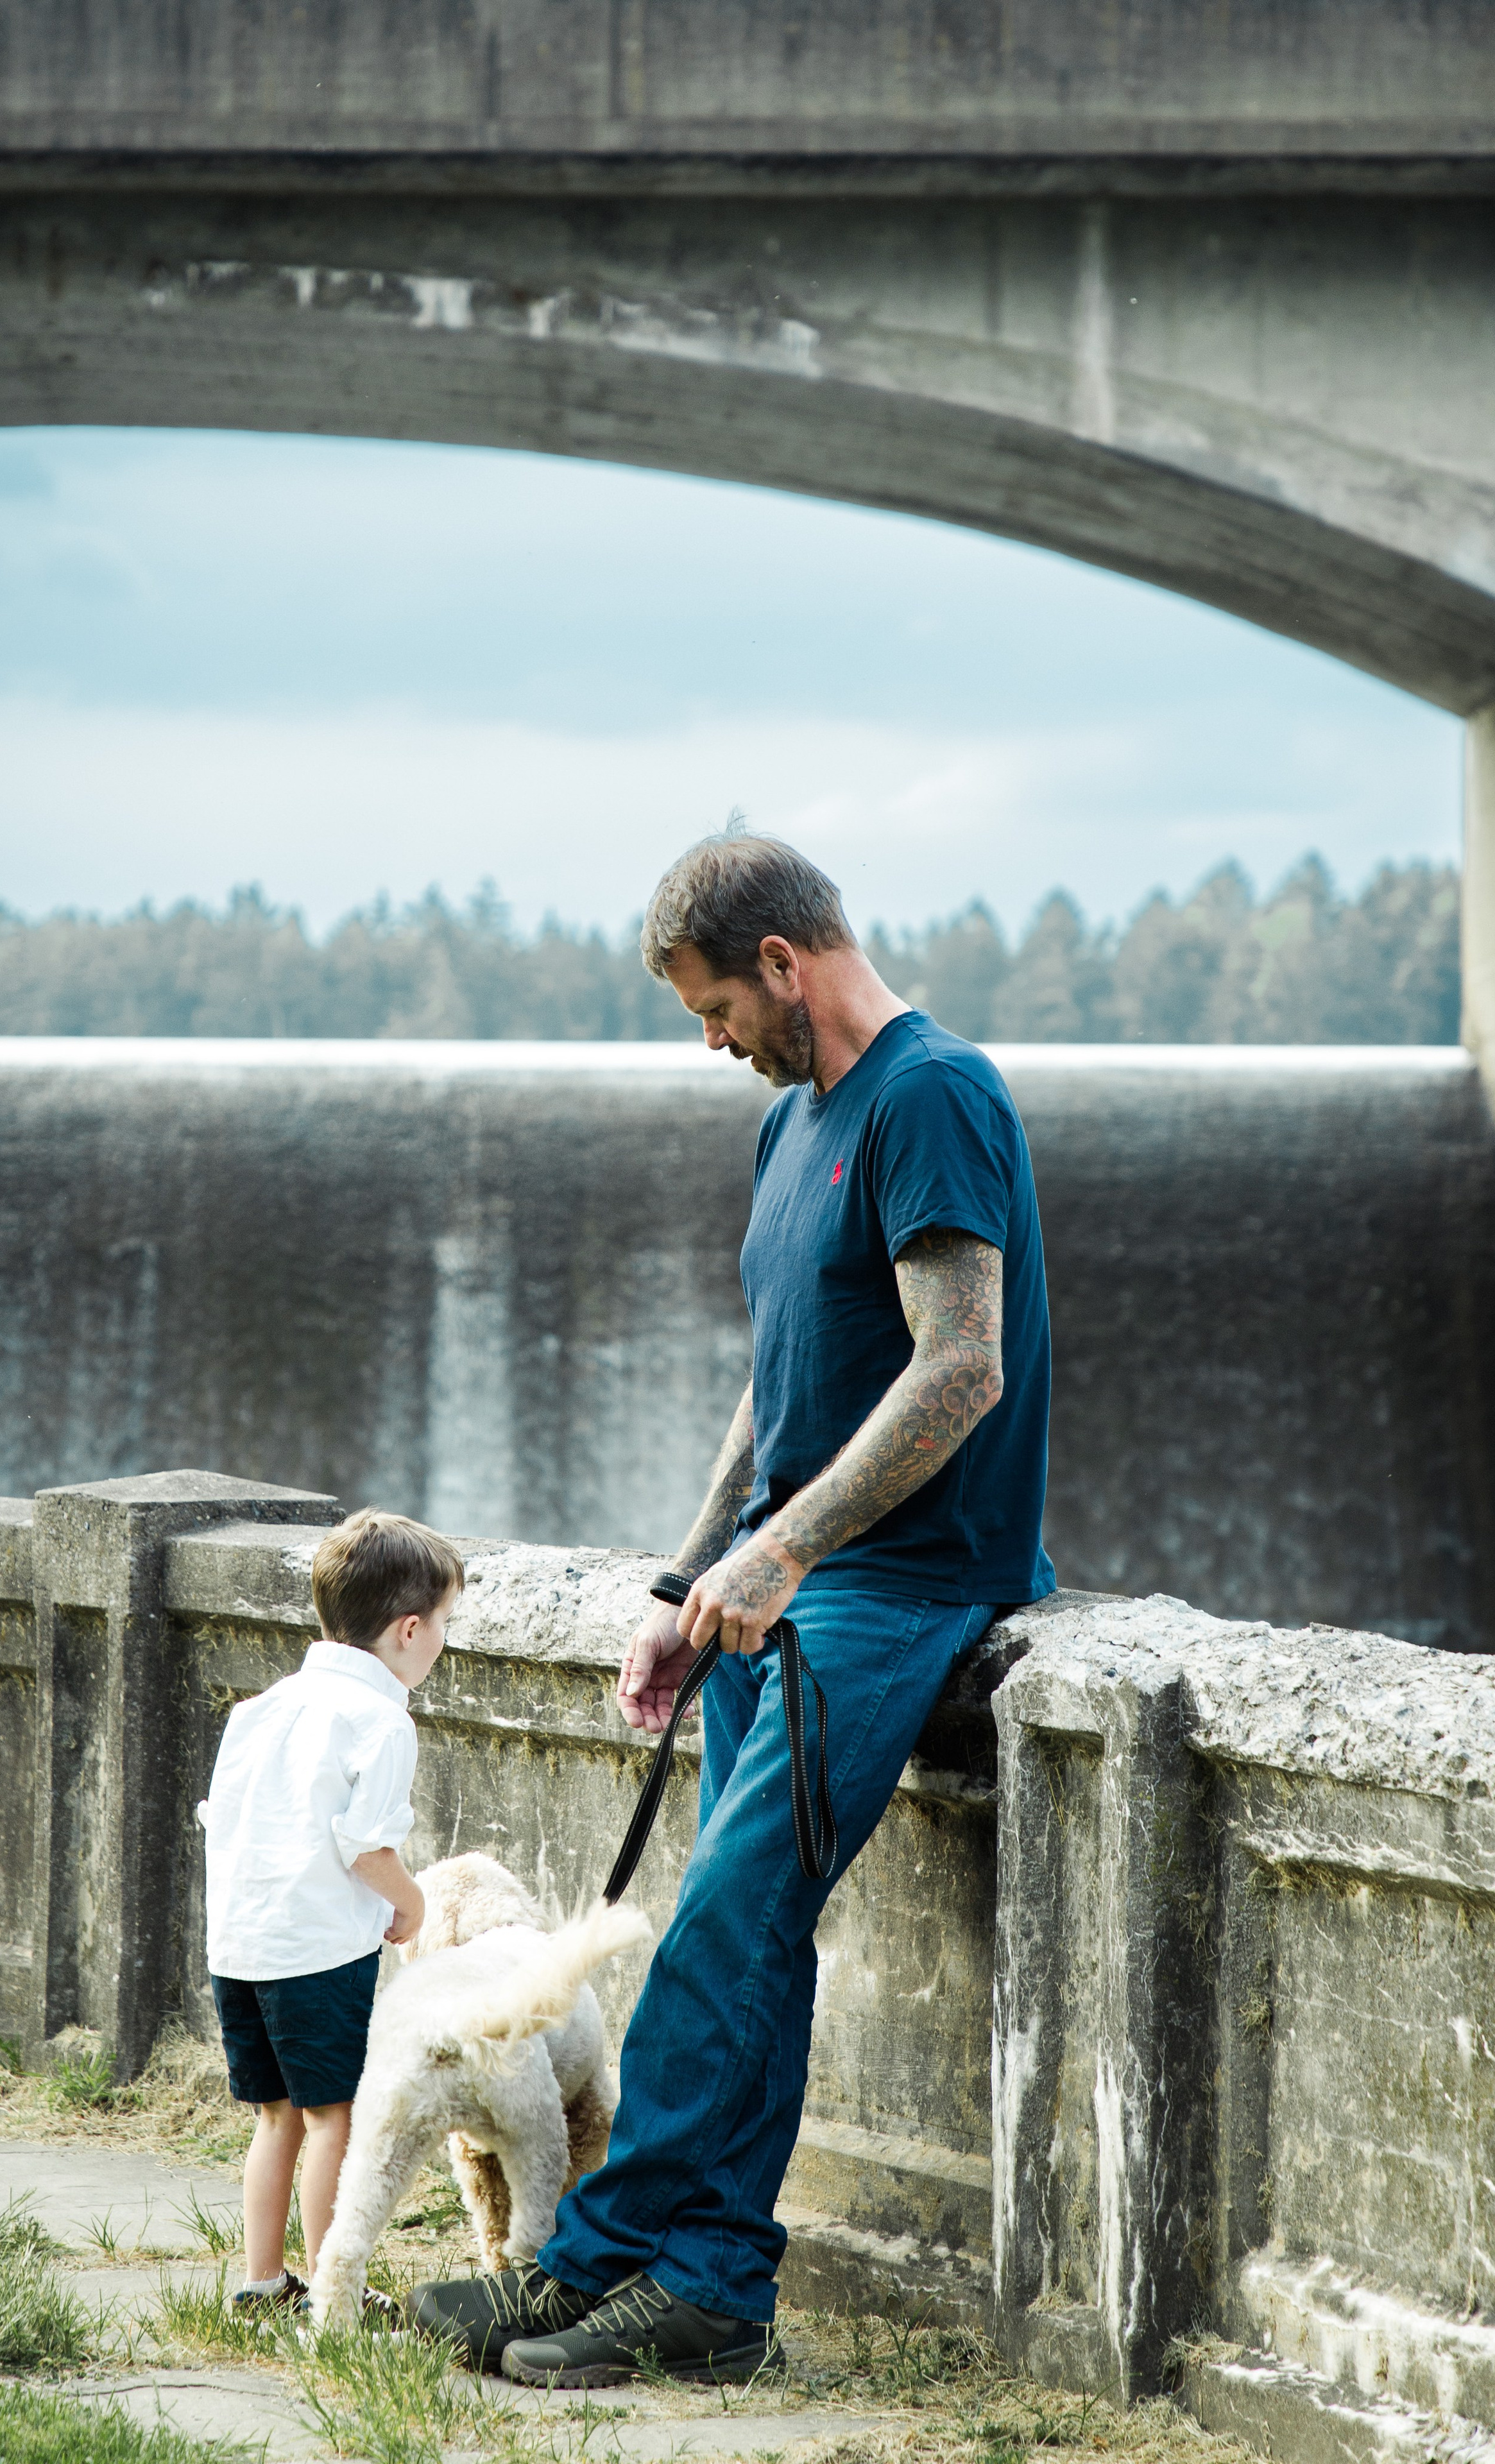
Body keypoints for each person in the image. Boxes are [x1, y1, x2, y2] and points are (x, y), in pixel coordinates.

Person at [415, 832, 1054, 2385]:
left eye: (714, 1008)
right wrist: (687, 1578)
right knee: (749, 1941)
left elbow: (958, 1363)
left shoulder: (930, 1096)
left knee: (716, 1926)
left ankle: (609, 2261)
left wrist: (785, 1556)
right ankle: (702, 2283)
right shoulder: (795, 1130)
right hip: (784, 1598)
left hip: (896, 1588)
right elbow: (774, 1391)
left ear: (782, 961)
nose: (711, 1044)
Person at [198, 1507, 464, 2314]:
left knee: (276, 2118)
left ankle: (261, 2282)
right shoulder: (381, 1722)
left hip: (239, 1948)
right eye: (446, 1623)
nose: (444, 1640)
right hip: (315, 1956)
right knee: (333, 2121)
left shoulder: (261, 1708)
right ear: (410, 1630)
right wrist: (414, 1905)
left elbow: (227, 1821)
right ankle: (331, 2293)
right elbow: (366, 1849)